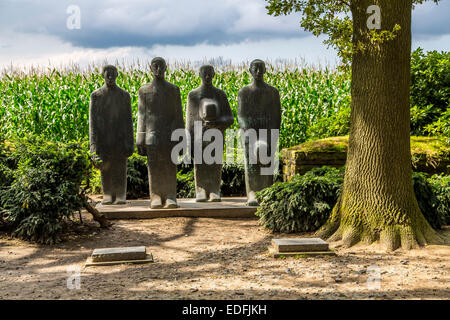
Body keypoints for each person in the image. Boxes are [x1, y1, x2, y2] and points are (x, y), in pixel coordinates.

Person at [136, 57, 184, 209]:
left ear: (166, 68)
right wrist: (140, 137)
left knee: (170, 166)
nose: (158, 69)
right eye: (155, 66)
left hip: (170, 134)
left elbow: (178, 115)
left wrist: (181, 138)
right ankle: (155, 196)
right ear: (150, 68)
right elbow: (141, 116)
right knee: (154, 167)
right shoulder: (144, 91)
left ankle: (170, 196)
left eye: (161, 66)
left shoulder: (173, 90)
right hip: (152, 134)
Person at [238, 59, 281, 206]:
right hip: (250, 133)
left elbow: (276, 117)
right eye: (255, 68)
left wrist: (272, 134)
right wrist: (249, 132)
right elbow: (241, 116)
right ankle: (252, 193)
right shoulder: (244, 92)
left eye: (261, 68)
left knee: (266, 163)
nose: (258, 71)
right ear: (249, 70)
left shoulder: (273, 92)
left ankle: (266, 191)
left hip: (268, 133)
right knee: (252, 165)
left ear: (265, 70)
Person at [89, 65, 134, 205]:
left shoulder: (124, 95)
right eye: (108, 74)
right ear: (103, 75)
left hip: (120, 140)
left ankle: (120, 194)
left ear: (117, 76)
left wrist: (130, 142)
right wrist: (93, 145)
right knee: (106, 169)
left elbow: (129, 121)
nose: (110, 77)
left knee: (120, 169)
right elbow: (93, 123)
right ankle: (107, 194)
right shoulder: (96, 96)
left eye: (113, 74)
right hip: (103, 140)